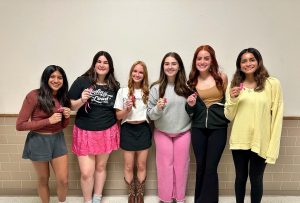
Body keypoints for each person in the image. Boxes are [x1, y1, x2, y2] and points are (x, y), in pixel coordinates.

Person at [225, 48, 283, 203]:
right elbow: (229, 116)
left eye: (251, 60)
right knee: (240, 178)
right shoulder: (234, 85)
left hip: (260, 140)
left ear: (258, 61)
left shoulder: (272, 84)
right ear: (239, 65)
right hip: (239, 140)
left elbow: (277, 115)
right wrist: (232, 99)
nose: (248, 63)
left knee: (256, 179)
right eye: (244, 61)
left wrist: (272, 146)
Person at [68, 51, 120, 203]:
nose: (102, 65)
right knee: (86, 172)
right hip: (85, 132)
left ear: (110, 67)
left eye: (105, 62)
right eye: (99, 61)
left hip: (107, 131)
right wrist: (81, 101)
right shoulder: (82, 81)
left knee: (101, 167)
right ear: (94, 63)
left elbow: (117, 110)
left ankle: (97, 198)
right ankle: (87, 200)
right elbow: (70, 105)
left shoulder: (114, 86)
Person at [16, 65, 71, 203]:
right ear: (46, 78)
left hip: (58, 140)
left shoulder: (63, 97)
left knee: (63, 180)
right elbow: (20, 125)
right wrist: (48, 121)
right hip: (38, 140)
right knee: (43, 179)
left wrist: (67, 116)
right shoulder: (33, 96)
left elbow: (63, 125)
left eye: (59, 77)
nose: (56, 80)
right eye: (52, 77)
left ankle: (61, 201)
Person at [185, 45, 229, 203]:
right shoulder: (191, 82)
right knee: (201, 167)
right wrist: (189, 105)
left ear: (212, 60)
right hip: (198, 129)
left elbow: (228, 104)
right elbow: (190, 111)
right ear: (195, 61)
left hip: (218, 129)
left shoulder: (221, 78)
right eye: (199, 58)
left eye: (206, 58)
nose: (202, 61)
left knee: (211, 169)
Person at [147, 52, 192, 203]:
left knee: (181, 167)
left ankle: (180, 198)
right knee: (164, 167)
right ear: (163, 67)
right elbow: (151, 115)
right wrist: (158, 109)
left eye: (173, 63)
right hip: (162, 133)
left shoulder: (188, 87)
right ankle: (165, 199)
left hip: (183, 132)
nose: (170, 66)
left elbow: (193, 111)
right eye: (167, 64)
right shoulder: (156, 88)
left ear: (179, 67)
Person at [114, 61, 152, 203]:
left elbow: (152, 114)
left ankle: (140, 193)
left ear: (144, 75)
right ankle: (131, 193)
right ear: (131, 73)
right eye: (135, 71)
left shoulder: (147, 92)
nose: (137, 74)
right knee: (129, 165)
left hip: (143, 129)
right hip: (127, 130)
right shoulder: (122, 91)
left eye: (140, 72)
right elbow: (118, 116)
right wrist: (127, 110)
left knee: (141, 165)